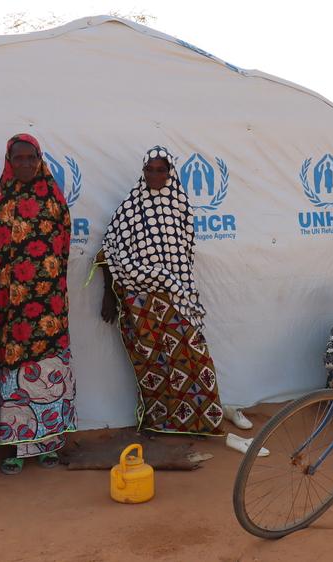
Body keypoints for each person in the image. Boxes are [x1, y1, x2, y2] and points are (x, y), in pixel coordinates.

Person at [97, 146, 227, 436]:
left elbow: (186, 253)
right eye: (150, 169)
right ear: (142, 172)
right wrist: (108, 294)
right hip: (140, 299)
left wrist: (180, 285)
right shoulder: (131, 206)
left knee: (193, 357)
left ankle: (199, 423)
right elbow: (108, 250)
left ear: (170, 172)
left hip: (178, 295)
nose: (155, 174)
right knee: (153, 362)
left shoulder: (180, 205)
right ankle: (160, 424)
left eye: (161, 169)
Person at [0, 134, 75, 475]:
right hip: (11, 309)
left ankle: (49, 443)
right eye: (18, 158)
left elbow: (62, 248)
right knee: (15, 378)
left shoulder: (54, 199)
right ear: (8, 160)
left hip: (48, 308)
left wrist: (50, 292)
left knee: (47, 375)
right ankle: (16, 448)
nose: (25, 164)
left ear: (39, 158)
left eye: (30, 157)